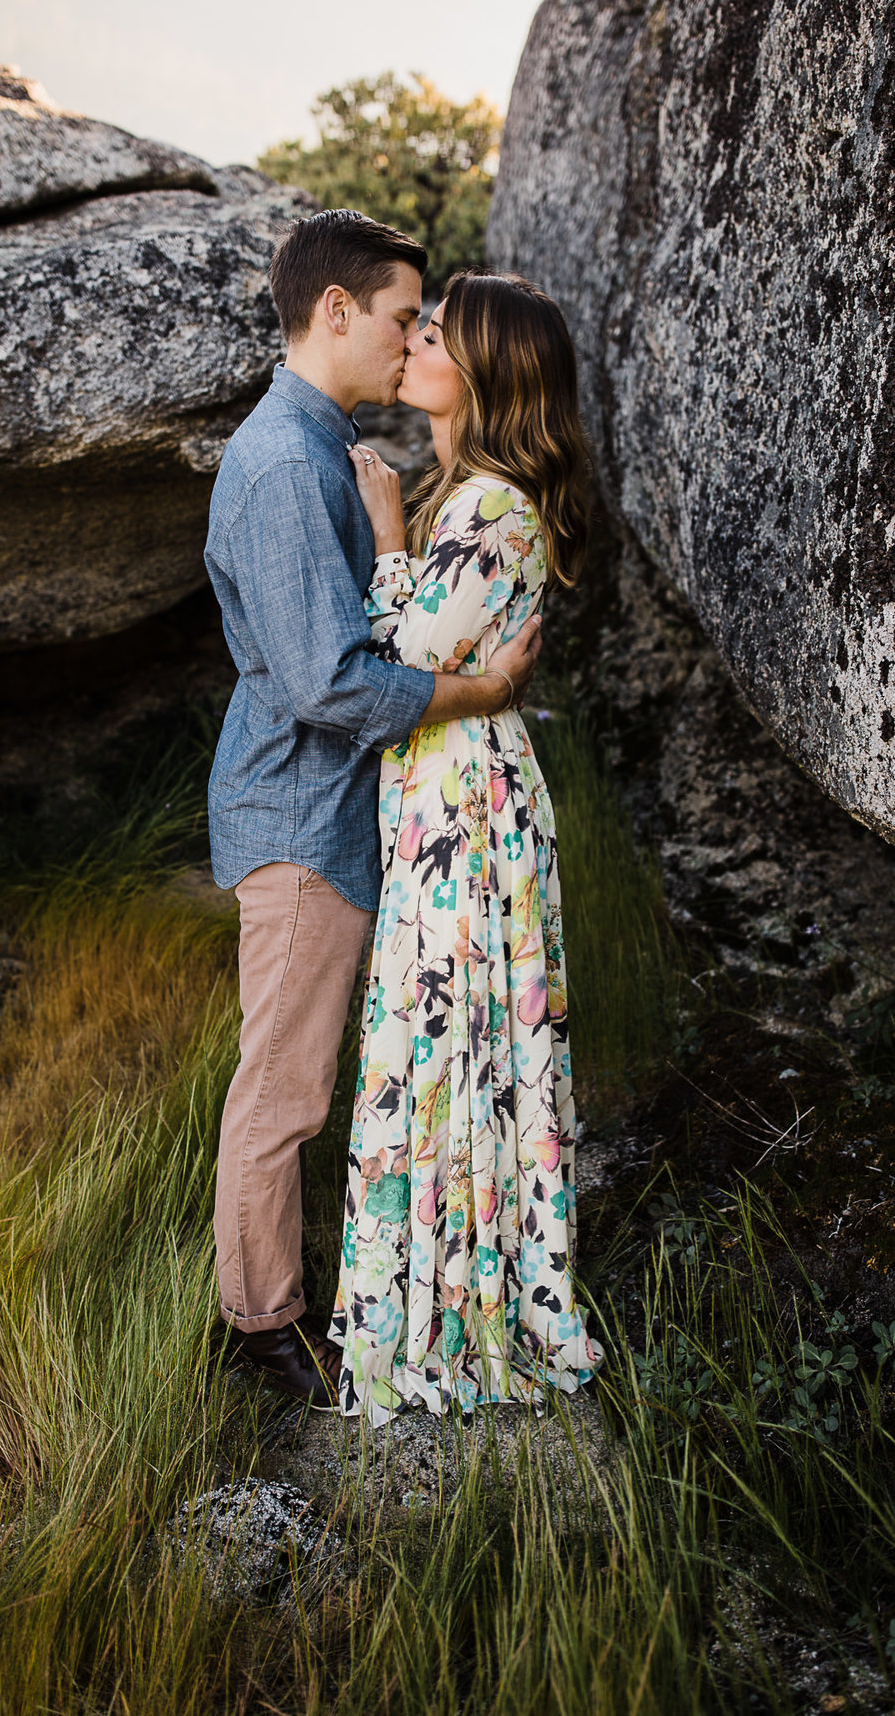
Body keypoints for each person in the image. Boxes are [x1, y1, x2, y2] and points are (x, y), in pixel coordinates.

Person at [203, 211, 541, 1406]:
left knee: (304, 1079)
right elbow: (329, 681)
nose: (410, 344)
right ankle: (261, 1333)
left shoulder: (317, 446)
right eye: (403, 318)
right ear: (334, 311)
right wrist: (482, 687)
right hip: (300, 820)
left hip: (327, 814)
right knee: (285, 1088)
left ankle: (313, 1301)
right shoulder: (288, 464)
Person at [327, 270, 600, 1420]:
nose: (416, 339)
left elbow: (394, 664)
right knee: (445, 1048)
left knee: (444, 1048)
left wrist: (387, 537)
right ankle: (436, 1294)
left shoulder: (486, 505)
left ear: (483, 372)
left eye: (435, 331)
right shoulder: (467, 495)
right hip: (446, 802)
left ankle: (451, 1319)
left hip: (465, 816)